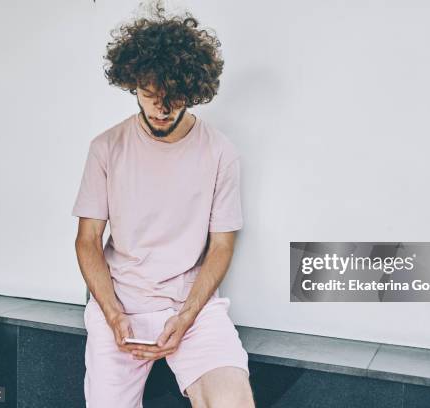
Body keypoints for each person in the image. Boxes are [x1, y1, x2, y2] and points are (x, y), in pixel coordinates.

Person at [71, 3, 255, 408]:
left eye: (171, 97)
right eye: (149, 94)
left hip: (191, 306)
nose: (160, 108)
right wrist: (115, 315)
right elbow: (88, 240)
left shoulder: (221, 153)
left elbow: (222, 245)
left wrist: (187, 315)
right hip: (120, 301)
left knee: (232, 403)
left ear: (192, 90)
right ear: (132, 83)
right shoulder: (105, 148)